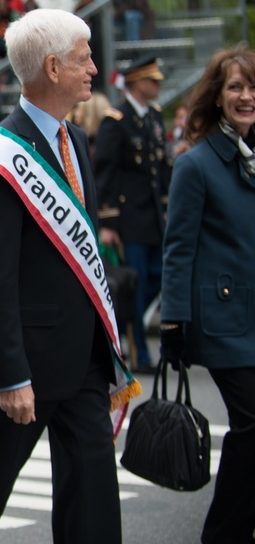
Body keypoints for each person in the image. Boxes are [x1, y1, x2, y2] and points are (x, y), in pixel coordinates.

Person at [0, 8, 137, 544]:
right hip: (23, 365)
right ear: (51, 67)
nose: (94, 66)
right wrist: (9, 374)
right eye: (84, 57)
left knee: (92, 491)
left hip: (84, 357)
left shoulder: (78, 142)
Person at [161, 44, 255, 544]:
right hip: (222, 321)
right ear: (217, 97)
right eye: (236, 86)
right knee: (252, 424)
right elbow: (178, 249)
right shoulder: (195, 165)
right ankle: (223, 532)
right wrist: (173, 323)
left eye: (252, 86)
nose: (246, 96)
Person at [94, 55, 172, 373]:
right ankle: (139, 353)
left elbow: (160, 168)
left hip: (152, 215)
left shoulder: (153, 116)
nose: (157, 86)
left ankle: (128, 331)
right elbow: (106, 172)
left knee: (159, 275)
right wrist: (109, 220)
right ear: (137, 82)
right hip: (129, 218)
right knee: (136, 286)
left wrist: (166, 207)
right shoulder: (116, 120)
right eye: (152, 80)